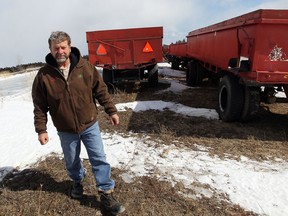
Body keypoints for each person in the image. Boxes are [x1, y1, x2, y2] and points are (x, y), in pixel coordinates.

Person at [32, 31, 125, 215]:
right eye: (56, 48)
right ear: (50, 49)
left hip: (89, 124)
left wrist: (111, 110)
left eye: (63, 47)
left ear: (70, 46)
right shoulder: (43, 76)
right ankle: (77, 182)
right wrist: (41, 130)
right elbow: (40, 106)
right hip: (66, 129)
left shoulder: (85, 67)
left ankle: (106, 193)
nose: (60, 51)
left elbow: (101, 91)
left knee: (98, 158)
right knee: (72, 161)